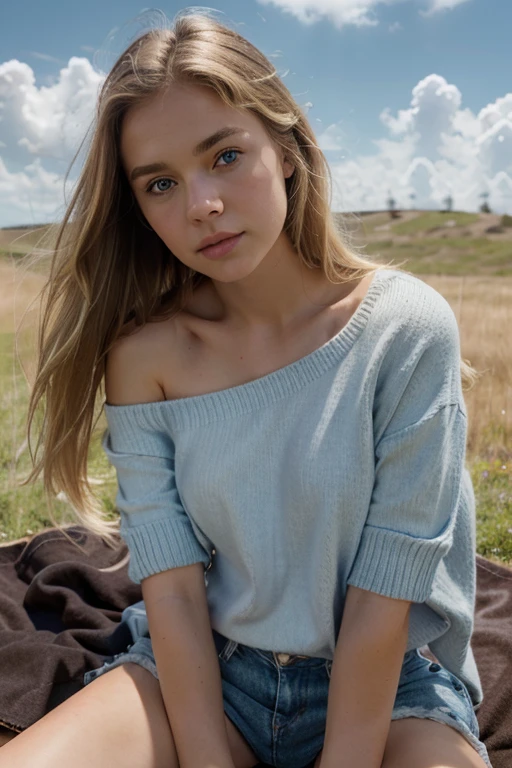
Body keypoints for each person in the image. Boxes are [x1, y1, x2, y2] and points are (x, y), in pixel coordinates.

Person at [2, 10, 492, 768]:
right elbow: (171, 593)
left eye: (225, 156)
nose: (201, 204)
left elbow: (381, 600)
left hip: (393, 691)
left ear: (287, 148)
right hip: (203, 675)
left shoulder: (405, 326)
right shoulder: (145, 357)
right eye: (161, 183)